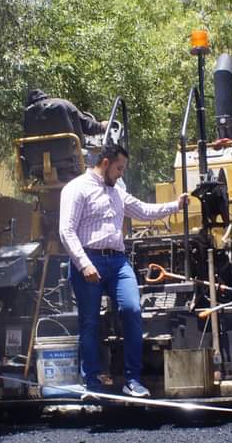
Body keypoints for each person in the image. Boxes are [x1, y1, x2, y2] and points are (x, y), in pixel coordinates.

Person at [58, 143, 187, 398]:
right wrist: (84, 264)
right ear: (105, 163)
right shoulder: (76, 189)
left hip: (117, 262)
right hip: (88, 260)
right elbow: (66, 231)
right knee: (90, 322)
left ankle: (133, 380)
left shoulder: (117, 192)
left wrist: (175, 205)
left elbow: (143, 210)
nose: (121, 173)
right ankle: (93, 383)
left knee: (132, 309)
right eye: (119, 168)